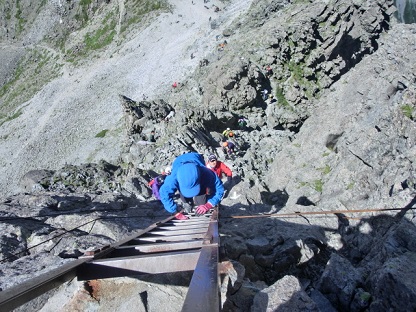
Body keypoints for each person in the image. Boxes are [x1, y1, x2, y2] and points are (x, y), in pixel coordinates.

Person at [159, 152, 224, 219]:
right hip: (178, 161)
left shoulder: (206, 173)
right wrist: (175, 212)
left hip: (196, 158)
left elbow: (219, 189)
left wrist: (209, 204)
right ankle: (187, 204)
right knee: (186, 200)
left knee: (201, 200)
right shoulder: (172, 179)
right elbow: (164, 194)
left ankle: (200, 205)